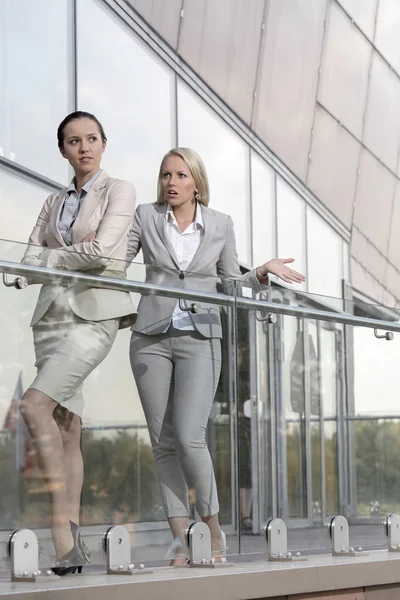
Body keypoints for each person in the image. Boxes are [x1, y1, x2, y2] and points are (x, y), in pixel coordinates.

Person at [126, 147, 305, 565]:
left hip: (201, 338)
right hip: (150, 335)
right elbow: (116, 261)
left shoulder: (220, 224)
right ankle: (180, 541)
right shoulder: (146, 216)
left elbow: (229, 285)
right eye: (166, 174)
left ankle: (211, 529)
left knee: (190, 437)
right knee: (163, 442)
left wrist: (259, 273)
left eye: (181, 175)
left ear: (196, 182)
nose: (171, 182)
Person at [18, 111, 136, 575]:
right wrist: (73, 254)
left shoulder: (119, 190)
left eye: (91, 139)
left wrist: (55, 257)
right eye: (73, 141)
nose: (83, 147)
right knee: (67, 426)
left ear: (104, 144)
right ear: (63, 150)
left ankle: (60, 536)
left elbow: (104, 251)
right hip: (50, 318)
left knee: (33, 406)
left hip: (94, 316)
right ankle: (74, 534)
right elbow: (27, 262)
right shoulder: (53, 201)